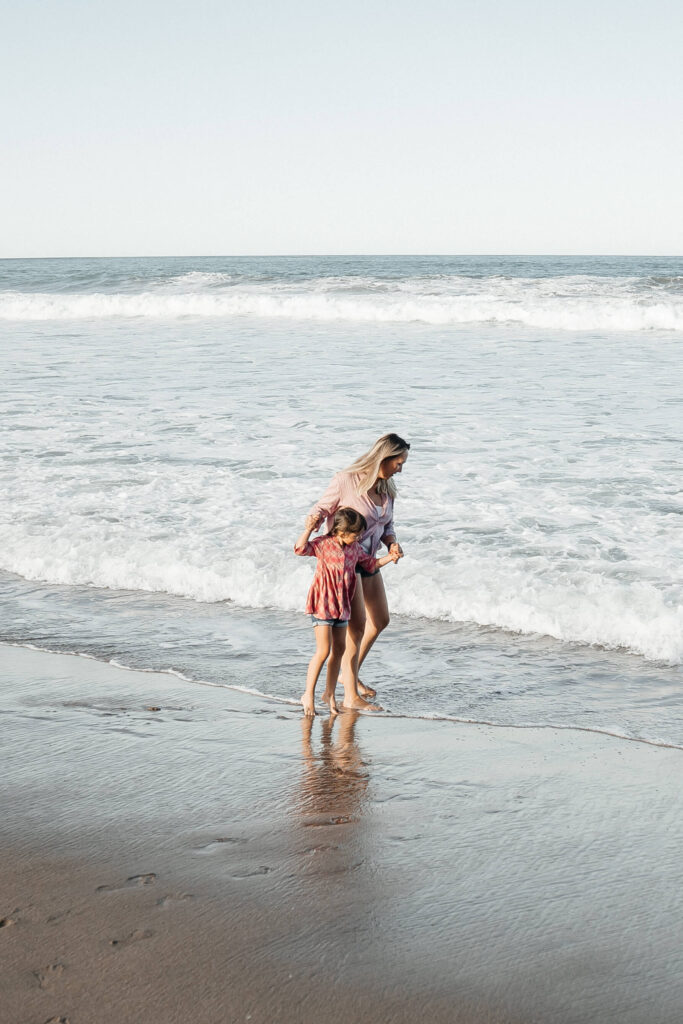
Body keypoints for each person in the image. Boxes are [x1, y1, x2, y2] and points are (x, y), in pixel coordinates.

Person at [305, 432, 410, 706]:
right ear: (383, 458)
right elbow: (322, 508)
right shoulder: (346, 480)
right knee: (357, 627)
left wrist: (392, 544)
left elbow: (387, 525)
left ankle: (348, 676)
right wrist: (314, 522)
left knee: (381, 620)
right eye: (398, 463)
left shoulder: (388, 489)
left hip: (370, 560)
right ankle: (350, 696)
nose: (400, 469)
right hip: (346, 563)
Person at [294, 507, 400, 716]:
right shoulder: (323, 544)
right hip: (323, 604)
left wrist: (390, 557)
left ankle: (329, 694)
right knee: (324, 650)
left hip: (342, 606)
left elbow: (371, 565)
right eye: (356, 534)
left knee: (339, 650)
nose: (360, 537)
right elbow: (300, 549)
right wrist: (307, 529)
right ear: (341, 532)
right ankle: (308, 694)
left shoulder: (355, 550)